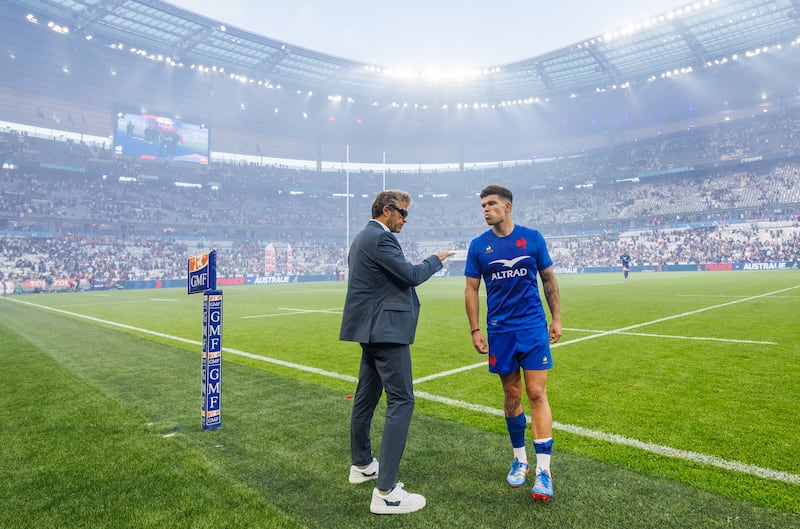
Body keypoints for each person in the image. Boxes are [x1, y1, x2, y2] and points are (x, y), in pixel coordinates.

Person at [340, 189, 455, 515]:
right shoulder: (382, 239)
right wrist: (436, 259)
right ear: (387, 210)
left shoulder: (362, 238)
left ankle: (362, 464)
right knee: (402, 401)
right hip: (386, 332)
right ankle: (386, 491)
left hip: (370, 331)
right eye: (403, 213)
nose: (405, 219)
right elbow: (412, 275)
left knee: (365, 398)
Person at [464, 184, 562, 503]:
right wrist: (475, 329)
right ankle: (520, 458)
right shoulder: (479, 246)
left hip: (532, 327)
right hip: (500, 331)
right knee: (512, 393)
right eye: (483, 205)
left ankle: (544, 470)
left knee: (536, 392)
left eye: (491, 204)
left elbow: (548, 279)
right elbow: (470, 289)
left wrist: (556, 317)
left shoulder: (532, 238)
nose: (485, 209)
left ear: (507, 206)